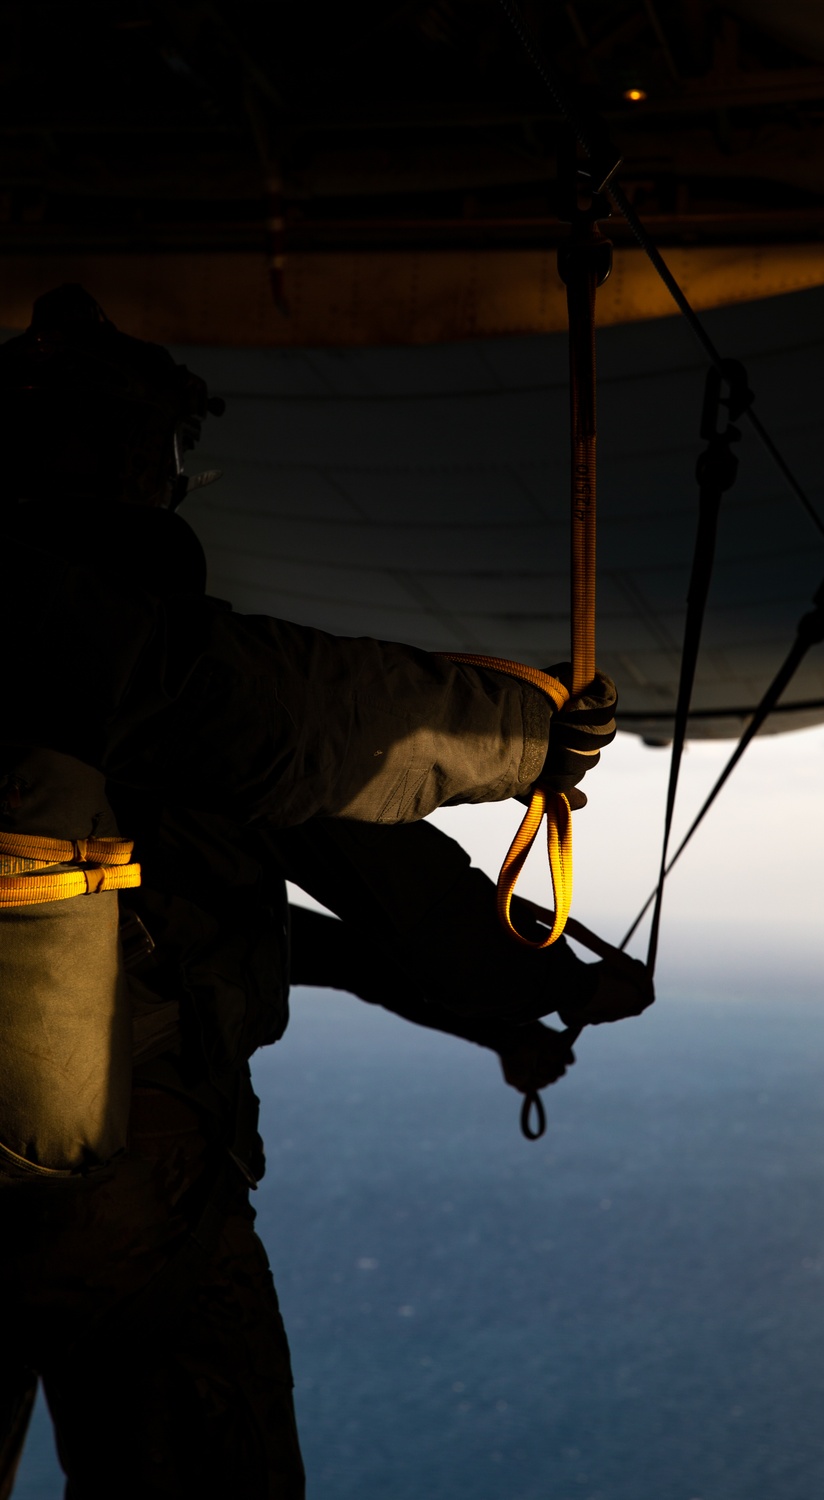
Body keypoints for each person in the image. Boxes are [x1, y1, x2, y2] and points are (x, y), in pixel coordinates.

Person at [0, 286, 653, 1499]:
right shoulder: (162, 669)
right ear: (153, 464)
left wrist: (498, 1020)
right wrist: (533, 772)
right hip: (134, 1179)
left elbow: (314, 942)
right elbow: (374, 854)